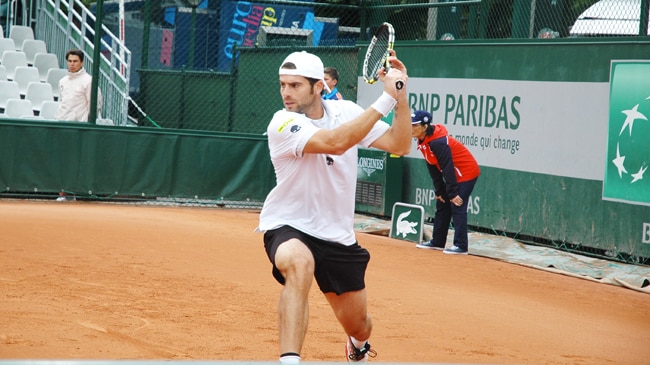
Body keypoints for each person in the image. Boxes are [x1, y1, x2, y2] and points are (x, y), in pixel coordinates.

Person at [257, 50, 409, 364]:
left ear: (318, 87)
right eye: (283, 84)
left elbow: (399, 144)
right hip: (288, 224)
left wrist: (401, 95)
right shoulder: (282, 122)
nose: (286, 92)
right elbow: (334, 143)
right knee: (299, 263)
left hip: (337, 236)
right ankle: (289, 360)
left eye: (295, 85)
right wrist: (385, 100)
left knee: (360, 324)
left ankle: (356, 343)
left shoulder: (347, 111)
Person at [411, 110, 480, 255]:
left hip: (466, 172)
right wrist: (439, 191)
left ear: (424, 126)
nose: (411, 128)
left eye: (414, 125)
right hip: (454, 174)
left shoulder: (438, 142)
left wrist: (453, 193)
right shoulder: (423, 141)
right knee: (442, 203)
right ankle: (437, 242)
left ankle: (461, 246)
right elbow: (432, 167)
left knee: (457, 203)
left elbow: (447, 167)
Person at [55, 48, 102, 122]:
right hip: (62, 122)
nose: (72, 64)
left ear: (82, 62)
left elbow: (94, 106)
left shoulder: (89, 81)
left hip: (79, 126)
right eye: (70, 61)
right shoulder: (62, 81)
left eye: (75, 61)